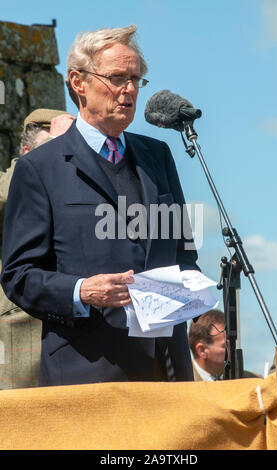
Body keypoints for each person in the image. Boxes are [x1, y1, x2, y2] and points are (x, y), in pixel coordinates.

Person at [0, 25, 200, 387]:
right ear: (78, 82)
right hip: (86, 373)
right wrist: (82, 291)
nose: (129, 90)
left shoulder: (159, 157)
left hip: (167, 372)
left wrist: (192, 290)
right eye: (116, 78)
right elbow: (19, 276)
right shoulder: (39, 169)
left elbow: (185, 255)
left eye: (136, 79)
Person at [0, 109, 74, 389]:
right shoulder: (10, 180)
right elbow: (7, 199)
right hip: (22, 330)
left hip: (78, 329)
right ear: (27, 152)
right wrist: (50, 154)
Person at [188, 310, 227, 381]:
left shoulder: (251, 382)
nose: (233, 350)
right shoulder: (180, 384)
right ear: (202, 350)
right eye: (226, 346)